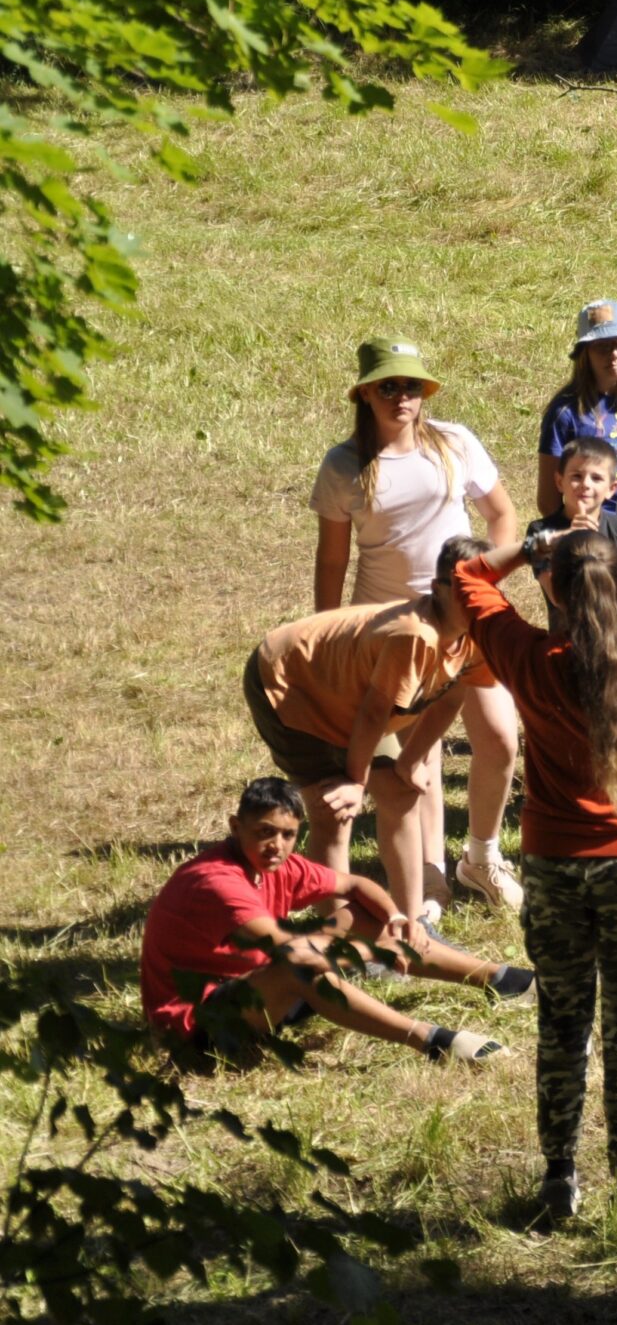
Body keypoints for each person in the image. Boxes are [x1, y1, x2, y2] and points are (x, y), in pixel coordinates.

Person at [456, 531, 617, 1224]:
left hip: (554, 863)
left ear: (553, 589)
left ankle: (559, 1177)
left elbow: (468, 578)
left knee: (562, 1021)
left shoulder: (530, 659)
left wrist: (534, 543)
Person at [310, 337, 524, 917]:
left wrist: (487, 587)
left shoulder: (455, 443)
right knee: (419, 758)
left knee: (500, 738)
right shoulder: (344, 465)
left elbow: (501, 513)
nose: (401, 396)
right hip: (395, 632)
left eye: (411, 386)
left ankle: (481, 857)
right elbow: (332, 560)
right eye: (388, 386)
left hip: (465, 617)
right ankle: (431, 883)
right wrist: (328, 634)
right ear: (365, 394)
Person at [143, 779, 518, 1069]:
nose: (277, 845)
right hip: (199, 1028)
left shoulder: (279, 863)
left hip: (257, 988)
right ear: (235, 827)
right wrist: (376, 951)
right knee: (302, 966)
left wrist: (396, 918)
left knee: (358, 913)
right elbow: (292, 954)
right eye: (264, 832)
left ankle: (498, 978)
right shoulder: (216, 881)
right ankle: (432, 1041)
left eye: (288, 835)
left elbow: (355, 885)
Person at [244, 537, 499, 922]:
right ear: (438, 588)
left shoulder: (480, 634)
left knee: (401, 794)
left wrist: (411, 760)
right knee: (333, 812)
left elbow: (449, 701)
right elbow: (372, 715)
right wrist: (355, 782)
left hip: (353, 696)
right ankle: (342, 935)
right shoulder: (415, 634)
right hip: (291, 681)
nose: (477, 598)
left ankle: (412, 929)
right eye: (465, 587)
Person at [529, 437, 617, 643]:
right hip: (573, 643)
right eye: (576, 476)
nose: (585, 484)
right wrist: (568, 536)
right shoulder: (541, 532)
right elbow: (556, 597)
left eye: (596, 478)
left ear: (612, 488)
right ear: (559, 482)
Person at [537, 299, 617, 518]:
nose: (614, 353)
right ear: (584, 354)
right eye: (603, 346)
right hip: (595, 527)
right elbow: (548, 501)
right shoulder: (566, 413)